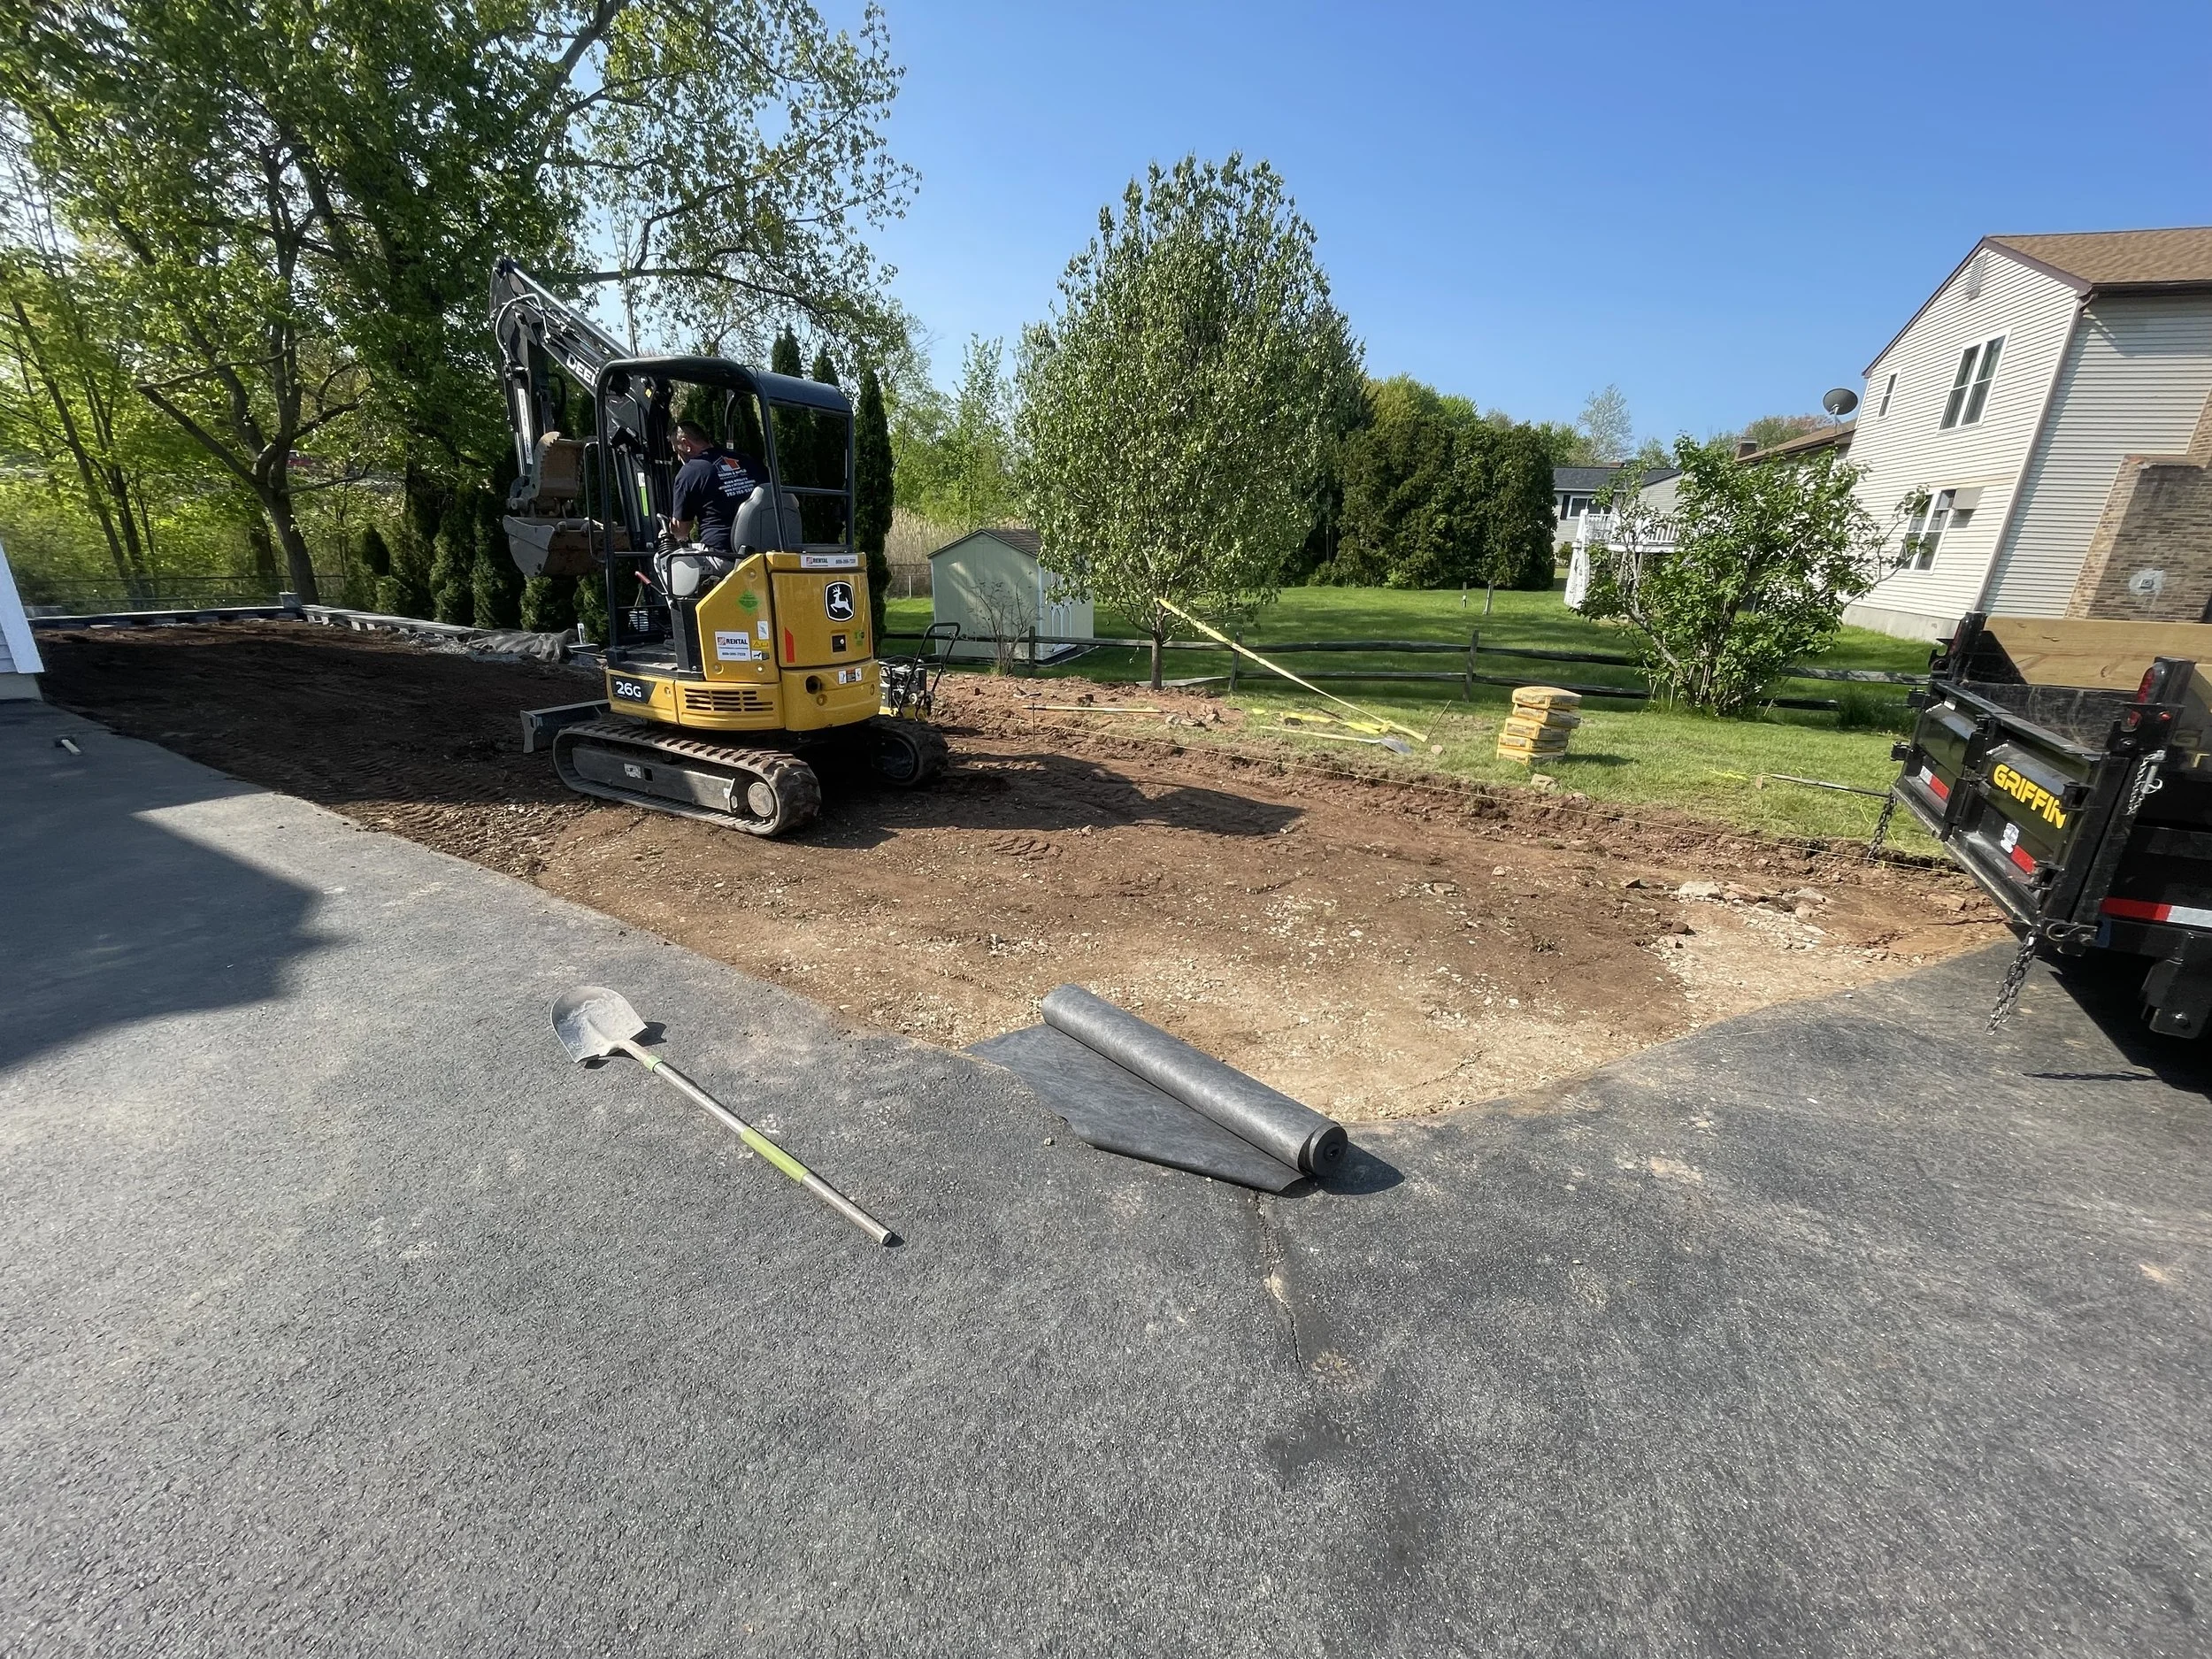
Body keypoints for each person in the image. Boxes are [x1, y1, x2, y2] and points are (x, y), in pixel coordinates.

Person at [667, 419, 765, 553]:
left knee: (664, 559)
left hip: (723, 555)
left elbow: (681, 531)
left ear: (685, 444)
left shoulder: (689, 472)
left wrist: (667, 532)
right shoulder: (746, 461)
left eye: (677, 451)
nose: (679, 458)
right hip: (763, 548)